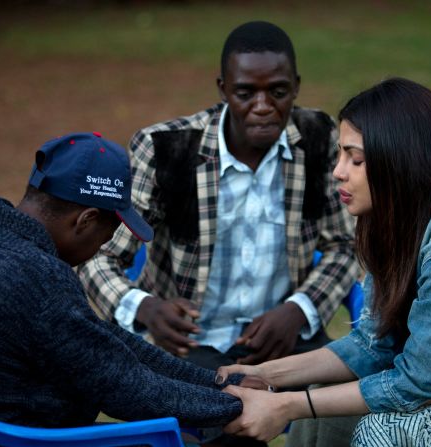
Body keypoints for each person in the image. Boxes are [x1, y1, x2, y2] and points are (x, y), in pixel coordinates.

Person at [215, 78, 431, 446]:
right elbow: (373, 345)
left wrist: (286, 406)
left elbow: (417, 382)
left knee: (382, 433)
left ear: (401, 160)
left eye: (356, 159)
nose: (338, 171)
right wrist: (263, 373)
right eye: (340, 155)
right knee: (328, 390)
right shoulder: (400, 214)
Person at [0, 132, 246, 429]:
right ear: (86, 220)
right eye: (106, 237)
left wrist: (218, 382)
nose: (101, 248)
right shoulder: (39, 278)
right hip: (16, 440)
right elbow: (125, 388)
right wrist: (238, 404)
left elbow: (100, 342)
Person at [78, 21, 359, 369]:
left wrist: (299, 310)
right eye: (245, 93)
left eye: (278, 91)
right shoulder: (164, 148)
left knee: (346, 398)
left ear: (296, 86)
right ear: (223, 89)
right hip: (185, 344)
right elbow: (97, 255)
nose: (262, 106)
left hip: (284, 337)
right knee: (219, 414)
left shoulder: (319, 138)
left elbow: (345, 245)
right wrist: (144, 308)